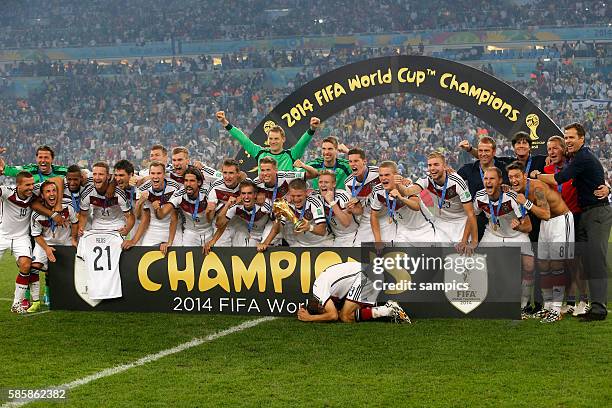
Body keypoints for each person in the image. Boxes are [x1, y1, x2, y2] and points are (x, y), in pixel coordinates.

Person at [532, 123, 612, 321]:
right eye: (566, 137)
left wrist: (536, 176)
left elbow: (560, 178)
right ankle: (592, 305)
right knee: (585, 259)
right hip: (584, 214)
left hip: (596, 212)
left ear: (582, 139)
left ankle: (597, 306)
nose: (568, 141)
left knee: (595, 259)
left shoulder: (582, 157)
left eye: (571, 138)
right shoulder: (577, 158)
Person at [507, 161, 573, 323]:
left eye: (517, 176)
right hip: (546, 225)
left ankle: (557, 309)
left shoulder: (537, 187)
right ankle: (547, 306)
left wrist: (526, 203)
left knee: (557, 265)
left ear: (524, 175)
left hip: (559, 220)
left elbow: (545, 213)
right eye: (510, 177)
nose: (514, 180)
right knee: (543, 265)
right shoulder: (519, 189)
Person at [473, 167, 534, 317]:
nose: (488, 182)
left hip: (516, 235)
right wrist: (473, 240)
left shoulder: (512, 197)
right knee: (478, 264)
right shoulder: (480, 196)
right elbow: (471, 216)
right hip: (493, 234)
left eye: (492, 179)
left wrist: (519, 225)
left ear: (500, 181)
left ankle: (523, 304)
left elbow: (529, 226)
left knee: (529, 265)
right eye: (486, 179)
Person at [543, 136, 588, 316]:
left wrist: (606, 189)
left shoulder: (575, 167)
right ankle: (569, 301)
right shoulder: (546, 170)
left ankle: (584, 300)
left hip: (575, 217)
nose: (551, 152)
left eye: (555, 148)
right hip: (557, 221)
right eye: (548, 149)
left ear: (563, 149)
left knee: (574, 261)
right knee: (562, 261)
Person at [297, 261, 411, 323]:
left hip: (368, 275)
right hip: (369, 273)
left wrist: (310, 318)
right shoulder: (319, 291)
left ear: (320, 307)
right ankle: (387, 310)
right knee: (346, 314)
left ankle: (389, 310)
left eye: (321, 313)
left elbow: (332, 315)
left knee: (345, 316)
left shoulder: (320, 292)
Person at [216, 110, 320, 171]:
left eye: (276, 139)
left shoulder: (291, 155)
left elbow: (302, 143)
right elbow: (243, 139)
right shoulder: (260, 152)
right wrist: (225, 122)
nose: (273, 141)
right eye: (271, 138)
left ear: (283, 139)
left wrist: (312, 129)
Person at [414, 152, 478, 251]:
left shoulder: (456, 181)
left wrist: (469, 240)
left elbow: (471, 213)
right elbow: (412, 193)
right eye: (430, 165)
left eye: (436, 164)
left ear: (444, 166)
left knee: (462, 259)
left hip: (460, 222)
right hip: (441, 222)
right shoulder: (426, 181)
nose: (432, 168)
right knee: (441, 259)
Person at [30, 181, 78, 311]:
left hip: (65, 241)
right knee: (34, 266)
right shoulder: (36, 214)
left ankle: (55, 294)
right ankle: (33, 299)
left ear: (58, 193)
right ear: (42, 196)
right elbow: (36, 235)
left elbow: (75, 222)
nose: (51, 194)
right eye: (48, 191)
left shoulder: (67, 206)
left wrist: (73, 239)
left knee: (69, 269)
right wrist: (46, 249)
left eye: (54, 191)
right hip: (45, 242)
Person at [0, 172, 40, 313]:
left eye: (32, 184)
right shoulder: (7, 192)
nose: (31, 187)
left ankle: (16, 304)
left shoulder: (35, 192)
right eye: (27, 185)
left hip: (21, 237)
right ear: (18, 185)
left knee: (26, 265)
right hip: (2, 235)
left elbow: (56, 182)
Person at [371, 161, 434, 246]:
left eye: (387, 175)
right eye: (381, 175)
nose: (383, 178)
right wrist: (378, 241)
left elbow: (416, 206)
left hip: (424, 229)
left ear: (396, 175)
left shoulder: (408, 186)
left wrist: (400, 198)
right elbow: (374, 215)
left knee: (428, 259)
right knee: (398, 257)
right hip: (403, 231)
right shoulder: (378, 191)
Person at [123, 161, 179, 255]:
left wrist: (169, 242)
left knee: (177, 255)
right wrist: (140, 202)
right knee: (145, 255)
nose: (155, 176)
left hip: (172, 229)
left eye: (159, 173)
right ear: (149, 174)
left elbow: (174, 218)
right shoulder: (143, 188)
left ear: (164, 174)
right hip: (153, 228)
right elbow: (141, 217)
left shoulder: (174, 187)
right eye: (152, 173)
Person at [207, 180, 278, 252]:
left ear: (255, 195)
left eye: (249, 193)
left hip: (266, 230)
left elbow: (276, 226)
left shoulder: (265, 204)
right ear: (240, 195)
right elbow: (220, 224)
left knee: (266, 247)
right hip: (251, 233)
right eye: (243, 193)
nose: (246, 197)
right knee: (245, 247)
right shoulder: (237, 206)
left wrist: (265, 243)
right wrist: (227, 205)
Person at [156, 167, 212, 250]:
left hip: (209, 231)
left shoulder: (208, 192)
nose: (188, 184)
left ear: (199, 182)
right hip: (190, 232)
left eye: (192, 181)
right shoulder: (179, 194)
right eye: (186, 180)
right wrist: (157, 208)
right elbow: (166, 216)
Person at [78, 162, 134, 235]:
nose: (97, 177)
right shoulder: (88, 193)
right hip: (96, 227)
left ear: (108, 176)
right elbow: (83, 215)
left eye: (101, 174)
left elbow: (130, 216)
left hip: (117, 226)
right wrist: (81, 228)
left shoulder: (119, 193)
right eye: (94, 174)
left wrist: (126, 229)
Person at [344, 148, 381, 245]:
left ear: (364, 161)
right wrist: (351, 208)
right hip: (366, 220)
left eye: (356, 161)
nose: (353, 164)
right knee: (358, 251)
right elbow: (359, 210)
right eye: (350, 161)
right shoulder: (348, 183)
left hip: (383, 216)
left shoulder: (378, 173)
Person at [280, 178, 331, 247]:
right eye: (293, 196)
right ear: (289, 193)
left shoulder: (313, 202)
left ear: (306, 193)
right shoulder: (286, 204)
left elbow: (322, 231)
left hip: (321, 242)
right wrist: (277, 219)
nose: (296, 199)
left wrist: (309, 227)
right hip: (300, 244)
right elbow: (277, 229)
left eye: (299, 195)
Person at [318, 170, 359, 247]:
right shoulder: (317, 196)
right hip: (337, 238)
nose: (322, 185)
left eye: (326, 182)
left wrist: (331, 202)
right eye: (320, 182)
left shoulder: (342, 196)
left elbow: (346, 223)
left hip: (353, 235)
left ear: (334, 184)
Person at [0, 145, 68, 183]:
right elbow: (6, 169)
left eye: (46, 157)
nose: (43, 160)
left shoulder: (63, 171)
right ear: (36, 158)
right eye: (40, 157)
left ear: (52, 159)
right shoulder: (30, 170)